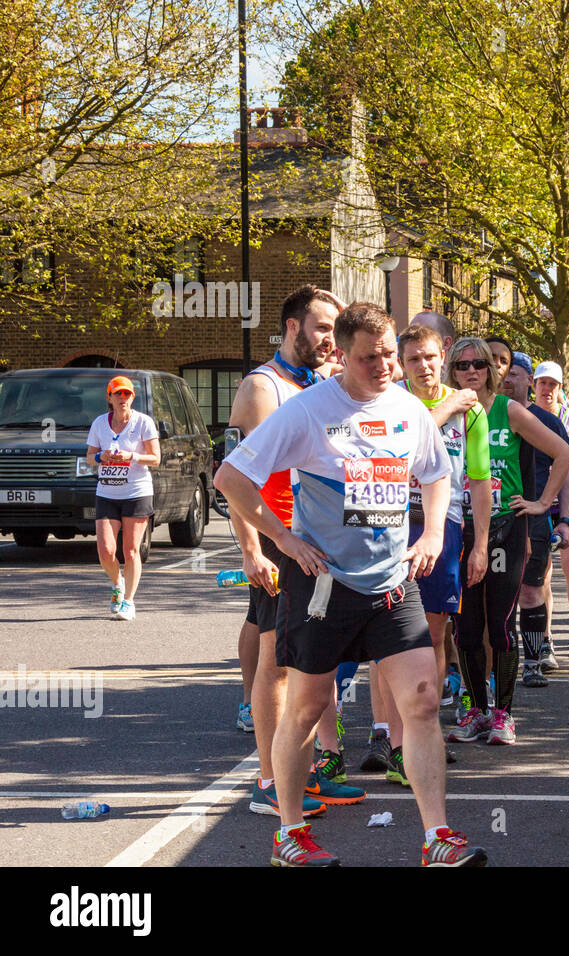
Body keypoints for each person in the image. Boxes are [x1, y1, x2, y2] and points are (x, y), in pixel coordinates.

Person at [216, 300, 487, 866]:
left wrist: (433, 532)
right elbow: (231, 477)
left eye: (391, 353)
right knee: (309, 706)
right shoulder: (309, 410)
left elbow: (438, 474)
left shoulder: (408, 409)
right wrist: (282, 539)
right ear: (342, 355)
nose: (385, 366)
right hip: (324, 585)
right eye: (371, 358)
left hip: (393, 582)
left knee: (422, 699)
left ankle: (438, 838)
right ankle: (289, 834)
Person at [225, 286, 361, 817]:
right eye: (324, 327)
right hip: (281, 542)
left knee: (313, 660)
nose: (332, 338)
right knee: (275, 663)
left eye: (336, 328)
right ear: (291, 327)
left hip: (320, 541)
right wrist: (252, 551)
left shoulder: (320, 383)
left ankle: (305, 773)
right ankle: (267, 779)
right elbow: (240, 479)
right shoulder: (263, 387)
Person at [373, 323, 492, 779]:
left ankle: (425, 730)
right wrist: (446, 407)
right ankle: (391, 737)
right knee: (387, 632)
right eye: (412, 360)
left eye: (429, 357)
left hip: (444, 527)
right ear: (401, 365)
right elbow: (401, 453)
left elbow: (478, 481)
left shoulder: (471, 410)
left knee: (434, 632)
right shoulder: (392, 402)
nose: (423, 367)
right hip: (392, 525)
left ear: (442, 354)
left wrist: (479, 545)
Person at [445, 339, 569, 746]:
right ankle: (476, 710)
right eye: (462, 364)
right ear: (452, 369)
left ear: (491, 370)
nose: (471, 371)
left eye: (479, 364)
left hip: (505, 528)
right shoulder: (447, 411)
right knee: (466, 628)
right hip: (457, 527)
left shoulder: (509, 410)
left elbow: (563, 453)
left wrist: (541, 504)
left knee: (500, 624)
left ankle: (503, 714)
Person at [500, 354, 569, 682]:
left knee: (531, 591)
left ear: (529, 380)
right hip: (494, 518)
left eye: (515, 374)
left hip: (534, 518)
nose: (508, 379)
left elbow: (567, 470)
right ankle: (491, 671)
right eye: (503, 371)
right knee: (497, 598)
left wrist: (565, 519)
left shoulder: (546, 420)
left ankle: (534, 661)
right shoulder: (485, 415)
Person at [528, 361, 569, 664]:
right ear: (534, 385)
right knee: (543, 573)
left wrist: (567, 467)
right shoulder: (526, 416)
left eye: (552, 384)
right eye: (542, 383)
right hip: (541, 499)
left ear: (560, 388)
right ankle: (546, 638)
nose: (547, 389)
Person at [86, 375, 160, 622]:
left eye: (127, 394)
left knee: (130, 551)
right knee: (106, 551)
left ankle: (128, 601)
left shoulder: (143, 423)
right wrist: (102, 457)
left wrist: (132, 456)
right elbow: (89, 457)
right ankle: (117, 582)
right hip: (107, 492)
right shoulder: (99, 424)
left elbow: (156, 458)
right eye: (117, 394)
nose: (122, 398)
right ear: (109, 398)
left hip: (136, 492)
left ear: (132, 398)